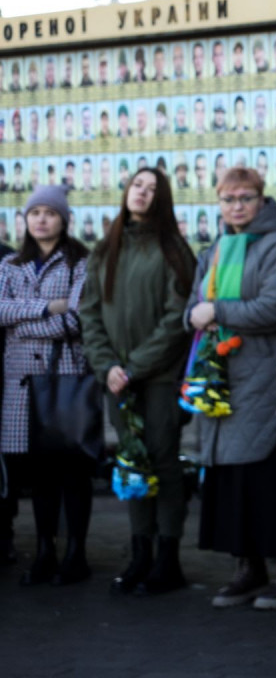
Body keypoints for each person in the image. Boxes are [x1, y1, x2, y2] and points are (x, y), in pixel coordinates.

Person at [186, 168, 276, 609]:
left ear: (262, 199)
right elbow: (190, 310)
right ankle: (248, 566)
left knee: (267, 477)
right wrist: (199, 314)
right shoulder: (215, 249)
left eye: (246, 197)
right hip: (221, 381)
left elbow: (273, 309)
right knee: (231, 480)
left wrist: (214, 310)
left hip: (264, 379)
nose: (236, 206)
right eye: (227, 199)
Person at [80, 168, 197, 595]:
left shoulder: (173, 250)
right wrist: (108, 366)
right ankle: (139, 555)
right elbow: (89, 313)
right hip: (116, 379)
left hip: (158, 377)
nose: (142, 193)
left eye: (151, 189)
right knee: (131, 461)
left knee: (162, 462)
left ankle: (168, 560)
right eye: (137, 185)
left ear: (161, 198)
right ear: (126, 191)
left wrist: (135, 367)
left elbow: (176, 319)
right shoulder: (105, 249)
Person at [0, 186, 93, 586]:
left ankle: (76, 552)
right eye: (34, 212)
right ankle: (44, 551)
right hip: (20, 383)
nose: (41, 219)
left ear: (64, 219)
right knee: (38, 475)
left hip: (64, 377)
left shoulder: (81, 263)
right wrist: (44, 308)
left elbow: (75, 320)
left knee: (71, 470)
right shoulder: (10, 264)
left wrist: (23, 324)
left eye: (49, 213)